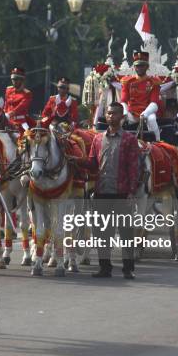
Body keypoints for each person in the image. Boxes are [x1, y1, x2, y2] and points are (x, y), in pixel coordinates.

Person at [75, 102, 139, 279]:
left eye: (115, 114)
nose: (111, 116)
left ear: (122, 117)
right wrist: (75, 161)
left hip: (122, 193)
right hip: (102, 192)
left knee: (126, 232)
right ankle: (105, 268)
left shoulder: (129, 140)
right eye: (109, 113)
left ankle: (128, 269)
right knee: (101, 232)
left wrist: (132, 193)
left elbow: (134, 168)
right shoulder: (97, 139)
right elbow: (92, 164)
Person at [120, 51, 161, 141]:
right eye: (137, 66)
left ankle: (157, 143)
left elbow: (154, 103)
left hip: (147, 112)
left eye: (142, 65)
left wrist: (145, 113)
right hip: (131, 112)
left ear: (147, 66)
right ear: (134, 67)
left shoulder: (153, 82)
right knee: (120, 119)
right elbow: (123, 101)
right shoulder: (127, 81)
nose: (139, 68)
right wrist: (125, 112)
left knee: (152, 120)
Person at [4, 67, 34, 132]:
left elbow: (21, 107)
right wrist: (4, 114)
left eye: (16, 79)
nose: (14, 81)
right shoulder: (8, 90)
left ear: (22, 80)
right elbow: (6, 105)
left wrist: (9, 114)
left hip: (21, 122)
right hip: (8, 121)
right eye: (13, 79)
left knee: (27, 136)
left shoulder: (27, 93)